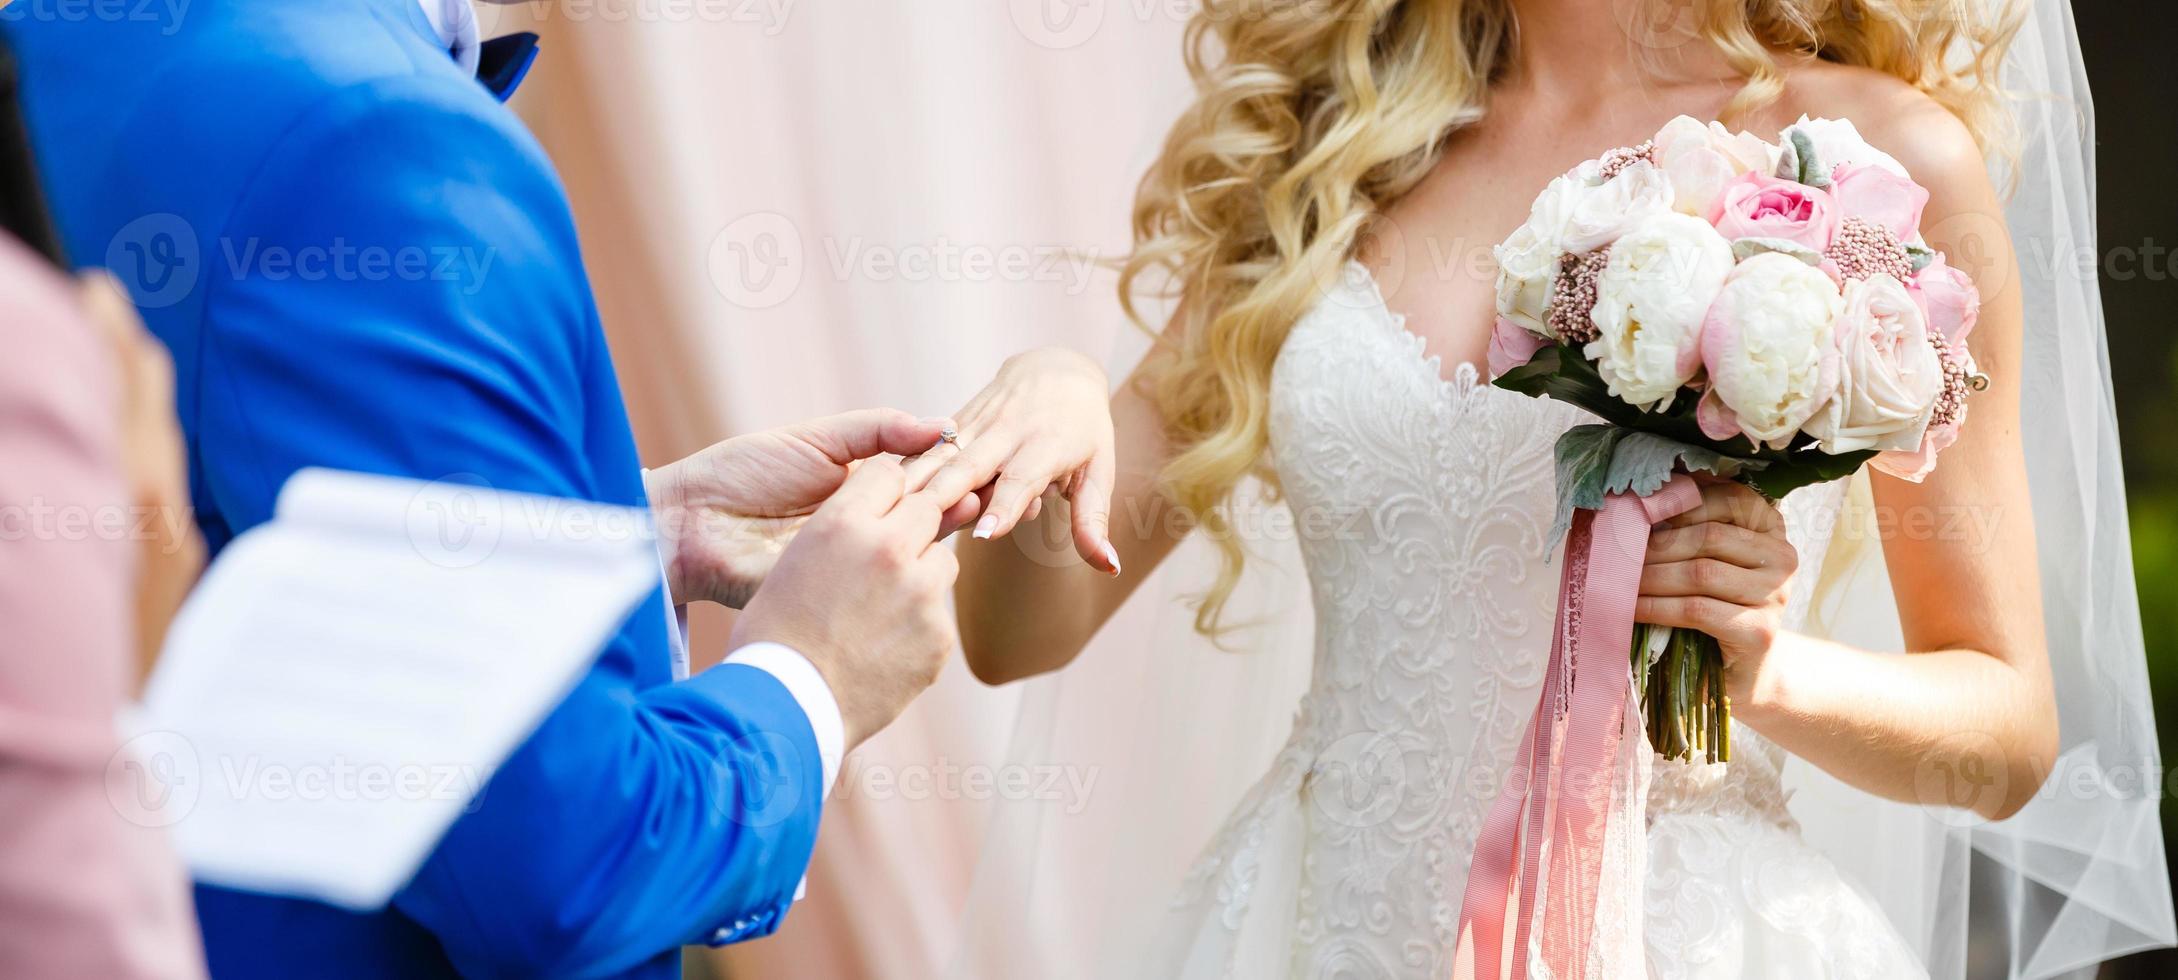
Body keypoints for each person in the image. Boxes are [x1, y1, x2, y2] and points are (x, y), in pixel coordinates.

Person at [913, 0, 2172, 977]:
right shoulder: (1328, 158)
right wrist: (1062, 393)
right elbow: (1014, 631)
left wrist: (1770, 668)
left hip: (1673, 928)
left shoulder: (1875, 164)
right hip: (1313, 921)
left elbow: (2006, 737)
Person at [5, 1, 980, 976]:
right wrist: (811, 677)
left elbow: (204, 531)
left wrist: (618, 539)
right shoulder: (382, 138)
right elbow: (563, 869)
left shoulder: (73, 34)